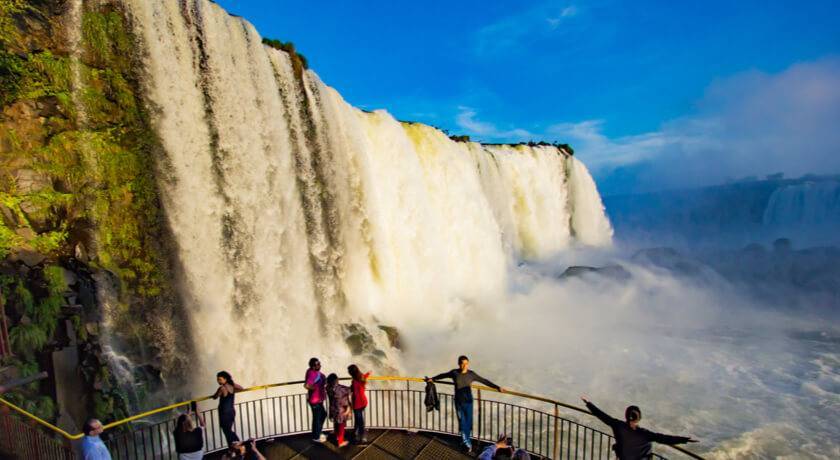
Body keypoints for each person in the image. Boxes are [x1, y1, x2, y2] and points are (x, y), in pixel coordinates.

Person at [426, 355, 504, 452]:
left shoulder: (471, 374)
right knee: (462, 423)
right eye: (463, 364)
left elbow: (484, 381)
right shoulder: (454, 373)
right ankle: (467, 444)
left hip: (469, 401)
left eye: (466, 363)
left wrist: (497, 387)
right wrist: (432, 379)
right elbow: (443, 375)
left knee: (468, 423)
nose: (465, 366)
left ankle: (465, 440)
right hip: (459, 402)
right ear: (459, 364)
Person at [581, 396, 698, 460]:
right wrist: (685, 439)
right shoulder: (645, 434)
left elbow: (601, 415)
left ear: (626, 416)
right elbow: (664, 438)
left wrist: (588, 403)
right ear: (639, 418)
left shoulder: (618, 425)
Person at [213, 371, 244, 445]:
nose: (218, 381)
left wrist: (216, 394)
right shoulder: (232, 385)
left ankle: (237, 445)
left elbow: (215, 397)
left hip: (224, 413)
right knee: (228, 430)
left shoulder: (222, 388)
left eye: (220, 379)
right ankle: (236, 445)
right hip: (231, 411)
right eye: (217, 379)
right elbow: (241, 388)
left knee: (227, 431)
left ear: (225, 379)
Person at [304, 357, 327, 443]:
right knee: (317, 418)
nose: (320, 365)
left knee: (323, 414)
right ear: (313, 366)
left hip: (318, 399)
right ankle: (316, 436)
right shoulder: (311, 373)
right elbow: (306, 385)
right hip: (315, 400)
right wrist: (315, 389)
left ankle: (318, 432)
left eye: (319, 363)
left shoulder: (314, 372)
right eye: (318, 364)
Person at [326, 373, 352, 448]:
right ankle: (340, 442)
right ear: (336, 380)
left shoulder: (328, 388)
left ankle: (337, 436)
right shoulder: (340, 389)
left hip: (333, 408)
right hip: (341, 409)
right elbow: (349, 390)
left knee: (336, 422)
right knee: (341, 424)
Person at [348, 364, 370, 444]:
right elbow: (364, 376)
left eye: (349, 371)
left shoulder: (355, 381)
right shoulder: (361, 377)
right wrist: (368, 373)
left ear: (351, 372)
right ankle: (356, 433)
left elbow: (353, 390)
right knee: (358, 419)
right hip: (363, 402)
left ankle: (362, 437)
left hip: (357, 403)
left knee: (359, 420)